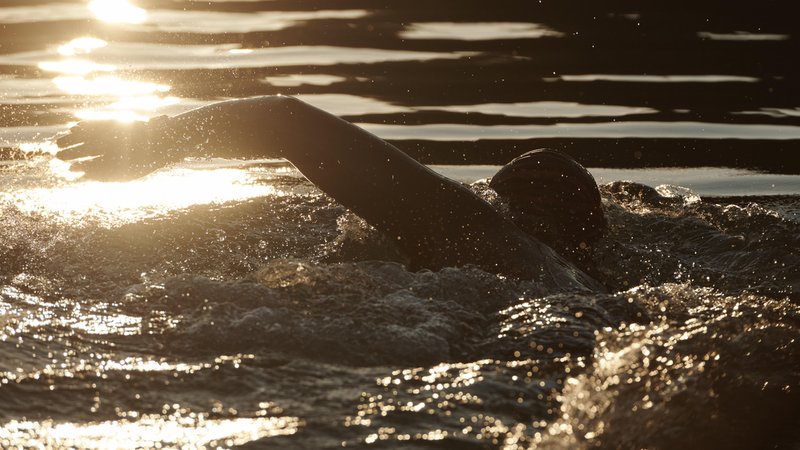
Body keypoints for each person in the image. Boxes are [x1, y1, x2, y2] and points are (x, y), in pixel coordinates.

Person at [55, 95, 606, 291]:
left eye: (500, 200)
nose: (491, 206)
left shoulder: (484, 233)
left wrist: (155, 138)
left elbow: (285, 118)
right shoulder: (578, 282)